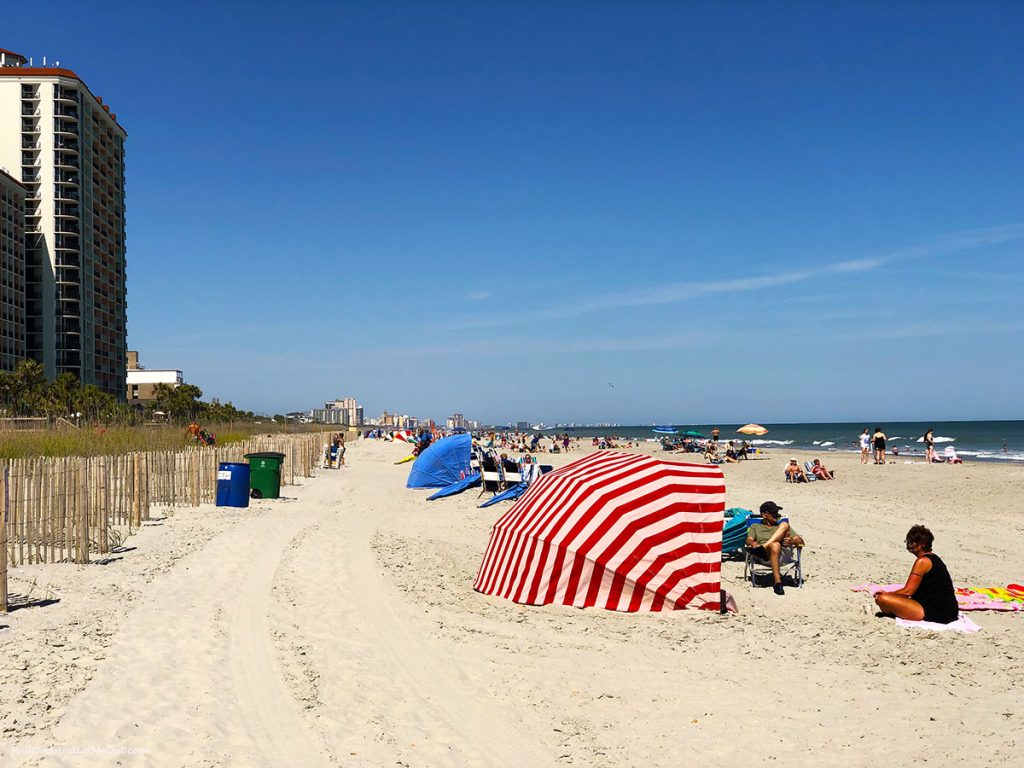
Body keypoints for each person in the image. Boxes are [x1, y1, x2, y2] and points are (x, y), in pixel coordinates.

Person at [874, 525, 958, 624]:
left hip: (937, 611)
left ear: (922, 544)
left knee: (883, 599)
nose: (909, 544)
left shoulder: (922, 561)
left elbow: (908, 591)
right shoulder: (933, 558)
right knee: (886, 600)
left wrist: (887, 594)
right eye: (907, 541)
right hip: (947, 610)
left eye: (912, 542)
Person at [745, 501, 805, 595]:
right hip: (765, 556)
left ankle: (763, 547)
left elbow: (801, 542)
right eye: (773, 513)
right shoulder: (755, 526)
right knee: (775, 545)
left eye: (777, 512)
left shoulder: (782, 527)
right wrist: (753, 543)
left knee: (784, 525)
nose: (776, 515)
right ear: (764, 515)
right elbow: (748, 540)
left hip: (783, 555)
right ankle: (778, 583)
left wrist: (791, 541)